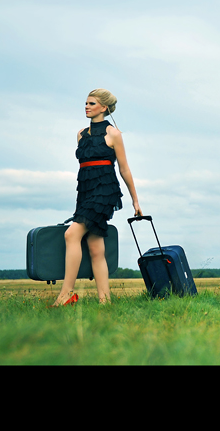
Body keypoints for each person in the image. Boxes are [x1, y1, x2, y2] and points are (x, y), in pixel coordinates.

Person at [53, 89, 142, 306]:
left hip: (105, 190)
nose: (86, 106)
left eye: (91, 103)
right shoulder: (81, 135)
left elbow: (124, 169)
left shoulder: (114, 134)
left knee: (71, 234)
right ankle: (105, 301)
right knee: (95, 247)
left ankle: (66, 294)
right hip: (85, 190)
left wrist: (135, 200)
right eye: (85, 103)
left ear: (104, 107)